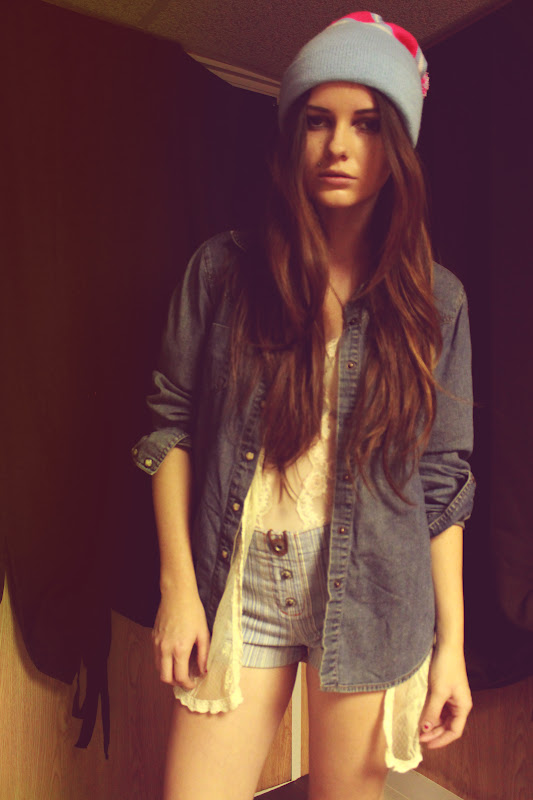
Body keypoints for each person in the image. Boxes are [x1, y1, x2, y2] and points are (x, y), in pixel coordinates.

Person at [132, 11, 475, 800]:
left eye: (366, 123)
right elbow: (168, 427)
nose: (338, 146)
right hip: (240, 582)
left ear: (398, 149)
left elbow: (441, 483)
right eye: (318, 121)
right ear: (292, 136)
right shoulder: (221, 271)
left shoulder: (437, 301)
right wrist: (177, 589)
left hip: (374, 595)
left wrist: (451, 647)